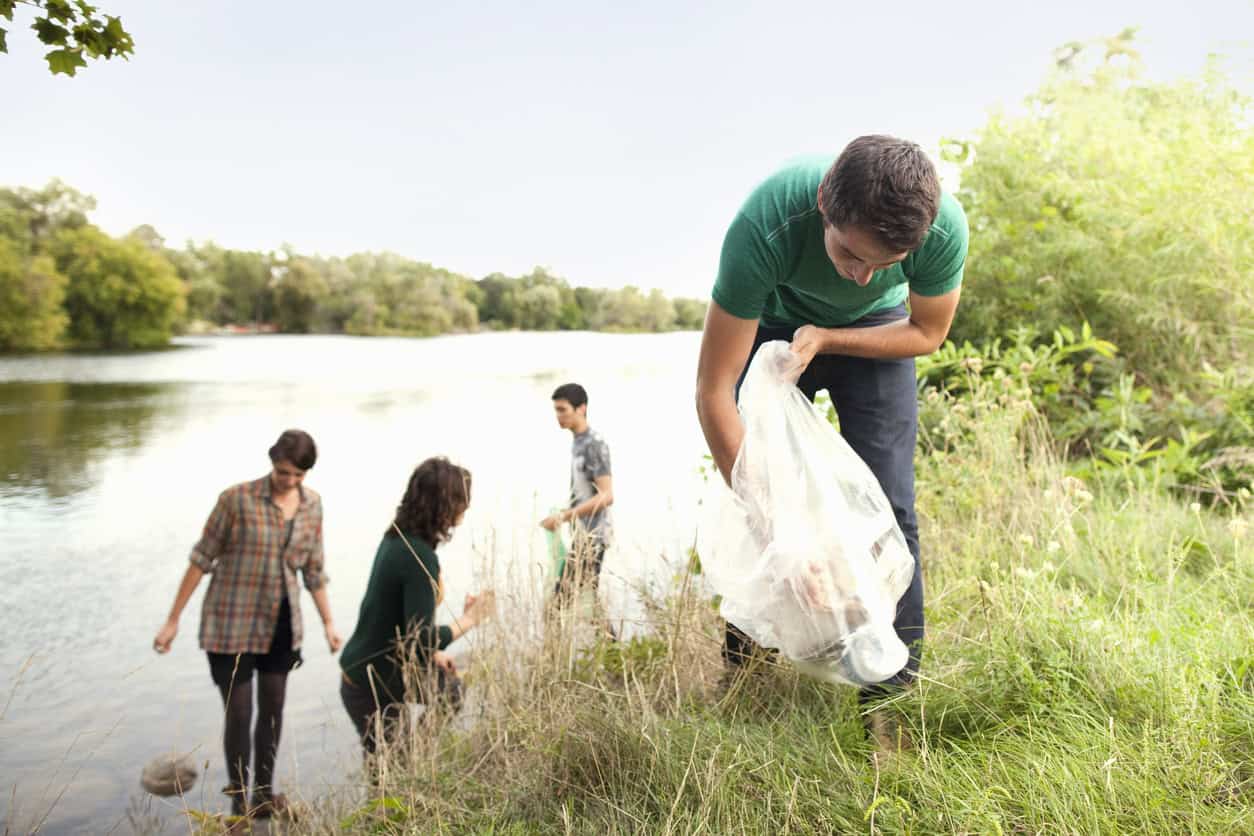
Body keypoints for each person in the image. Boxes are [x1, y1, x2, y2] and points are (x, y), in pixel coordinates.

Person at [695, 135, 968, 753]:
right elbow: (713, 392)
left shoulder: (941, 229)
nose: (862, 274)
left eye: (886, 262)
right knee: (758, 497)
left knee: (893, 511)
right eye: (849, 253)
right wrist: (783, 531)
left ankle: (888, 715)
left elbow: (926, 332)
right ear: (824, 202)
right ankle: (744, 677)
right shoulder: (766, 223)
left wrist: (831, 337)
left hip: (877, 333)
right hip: (773, 321)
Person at [153, 429, 342, 819]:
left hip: (282, 624)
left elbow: (314, 569)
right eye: (282, 471)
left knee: (273, 709)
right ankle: (239, 804)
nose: (287, 480)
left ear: (307, 473)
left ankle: (263, 796)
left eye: (296, 475)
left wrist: (329, 623)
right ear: (272, 462)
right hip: (230, 623)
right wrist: (172, 620)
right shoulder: (236, 499)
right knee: (239, 713)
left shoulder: (313, 506)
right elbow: (201, 558)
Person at [339, 457, 494, 758]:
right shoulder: (418, 555)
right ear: (444, 505)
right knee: (394, 776)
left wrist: (434, 654)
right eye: (462, 500)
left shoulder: (399, 538)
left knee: (448, 693)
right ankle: (416, 756)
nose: (467, 507)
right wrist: (471, 618)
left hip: (369, 673)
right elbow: (419, 638)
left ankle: (416, 755)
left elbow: (400, 622)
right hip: (371, 685)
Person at [539, 383, 614, 607]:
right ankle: (611, 642)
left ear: (581, 408)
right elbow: (584, 493)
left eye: (563, 410)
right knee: (588, 602)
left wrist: (565, 516)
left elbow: (607, 496)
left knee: (559, 604)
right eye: (556, 410)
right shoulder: (578, 442)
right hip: (583, 534)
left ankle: (610, 641)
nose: (558, 416)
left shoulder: (594, 444)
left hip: (593, 537)